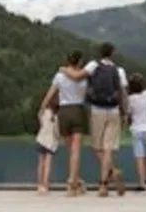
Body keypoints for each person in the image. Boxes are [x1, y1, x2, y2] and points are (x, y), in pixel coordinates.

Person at [60, 42, 128, 197]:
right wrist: (125, 113)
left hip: (97, 110)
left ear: (100, 53)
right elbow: (123, 93)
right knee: (108, 148)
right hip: (114, 111)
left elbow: (76, 77)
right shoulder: (119, 70)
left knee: (97, 147)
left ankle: (113, 171)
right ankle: (103, 186)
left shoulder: (93, 65)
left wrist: (63, 69)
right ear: (112, 53)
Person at [39, 50, 88, 197]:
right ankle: (73, 183)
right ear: (80, 61)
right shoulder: (84, 76)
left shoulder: (59, 76)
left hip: (64, 112)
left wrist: (42, 108)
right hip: (78, 110)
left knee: (70, 150)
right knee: (76, 150)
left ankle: (75, 180)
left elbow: (50, 93)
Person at [35, 93, 59, 194]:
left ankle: (39, 184)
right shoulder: (57, 116)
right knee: (48, 164)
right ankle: (46, 185)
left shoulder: (44, 112)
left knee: (41, 163)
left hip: (41, 139)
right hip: (51, 142)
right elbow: (57, 132)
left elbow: (40, 120)